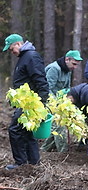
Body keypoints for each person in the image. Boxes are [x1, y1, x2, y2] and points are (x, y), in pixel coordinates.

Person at [2, 33, 49, 170]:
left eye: (11, 49)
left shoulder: (31, 57)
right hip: (25, 103)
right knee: (27, 132)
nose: (12, 52)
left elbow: (41, 80)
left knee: (14, 130)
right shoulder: (24, 57)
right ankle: (33, 164)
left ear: (18, 44)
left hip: (30, 103)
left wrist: (42, 103)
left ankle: (20, 163)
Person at [41, 50, 83, 152]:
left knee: (58, 125)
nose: (75, 67)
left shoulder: (67, 70)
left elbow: (67, 89)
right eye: (74, 64)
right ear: (67, 59)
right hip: (48, 101)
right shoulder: (54, 69)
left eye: (77, 65)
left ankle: (44, 150)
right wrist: (56, 104)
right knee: (59, 125)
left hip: (59, 102)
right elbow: (47, 90)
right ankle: (63, 152)